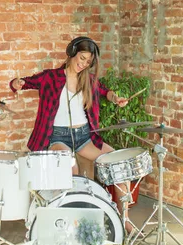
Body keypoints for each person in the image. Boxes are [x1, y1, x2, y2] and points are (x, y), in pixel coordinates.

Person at [9, 36, 135, 233]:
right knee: (71, 168)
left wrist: (115, 98)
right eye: (81, 58)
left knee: (118, 164)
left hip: (85, 137)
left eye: (87, 62)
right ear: (72, 53)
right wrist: (18, 83)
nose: (83, 64)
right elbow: (27, 82)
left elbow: (105, 91)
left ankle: (124, 219)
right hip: (58, 137)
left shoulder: (88, 80)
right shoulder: (51, 77)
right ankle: (68, 222)